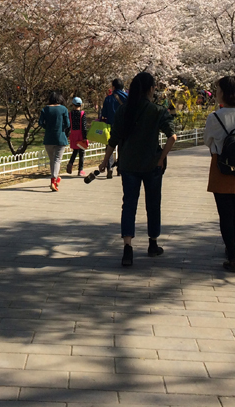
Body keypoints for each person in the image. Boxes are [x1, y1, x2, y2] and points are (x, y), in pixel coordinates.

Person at [98, 72, 177, 267]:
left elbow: (114, 138)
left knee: (129, 205)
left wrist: (105, 161)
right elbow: (172, 136)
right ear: (151, 89)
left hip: (129, 164)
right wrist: (161, 157)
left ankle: (127, 248)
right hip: (152, 165)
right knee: (153, 203)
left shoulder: (124, 111)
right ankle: (153, 243)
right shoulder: (157, 111)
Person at [203, 75, 235, 273]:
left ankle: (232, 255)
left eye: (218, 90)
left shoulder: (214, 117)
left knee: (225, 213)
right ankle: (230, 246)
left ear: (224, 93)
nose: (216, 94)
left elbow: (208, 140)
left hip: (220, 166)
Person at [39, 91, 70, 192]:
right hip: (60, 137)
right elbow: (67, 124)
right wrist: (61, 128)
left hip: (48, 138)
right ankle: (53, 180)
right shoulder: (63, 109)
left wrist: (47, 127)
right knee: (57, 160)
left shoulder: (45, 109)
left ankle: (56, 178)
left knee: (52, 160)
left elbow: (40, 123)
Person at [100, 78, 128, 179]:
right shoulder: (128, 98)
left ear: (113, 87)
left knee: (110, 147)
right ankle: (120, 168)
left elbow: (104, 114)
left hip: (111, 126)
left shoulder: (108, 98)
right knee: (122, 147)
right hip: (125, 127)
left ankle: (110, 168)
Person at [66, 97, 89, 177]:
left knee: (75, 151)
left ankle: (70, 163)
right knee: (81, 153)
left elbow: (68, 126)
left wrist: (67, 134)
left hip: (73, 134)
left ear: (73, 105)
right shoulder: (82, 113)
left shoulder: (70, 114)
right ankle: (80, 170)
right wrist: (85, 136)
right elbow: (84, 126)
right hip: (80, 135)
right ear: (81, 105)